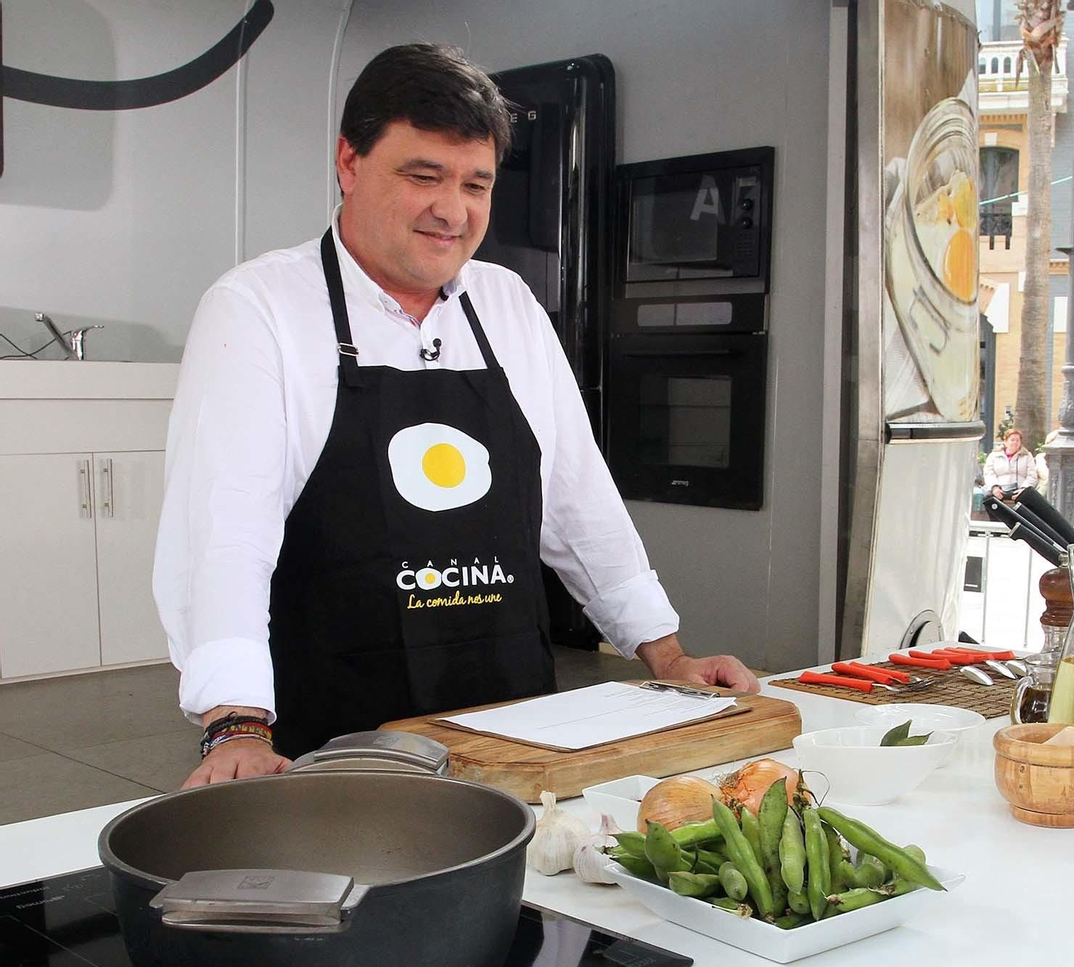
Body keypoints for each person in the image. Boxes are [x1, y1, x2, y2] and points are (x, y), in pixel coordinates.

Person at [155, 45, 758, 788]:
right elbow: (223, 533)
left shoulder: (506, 304)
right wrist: (236, 721)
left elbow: (577, 499)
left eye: (476, 183)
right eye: (423, 176)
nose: (453, 210)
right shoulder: (258, 310)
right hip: (336, 743)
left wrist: (666, 654)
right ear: (348, 162)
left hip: (515, 731)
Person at [985, 428, 1039, 500]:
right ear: (1005, 441)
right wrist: (995, 487)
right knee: (988, 499)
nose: (1015, 442)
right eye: (1012, 440)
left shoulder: (1027, 456)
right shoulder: (994, 455)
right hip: (1000, 489)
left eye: (1017, 440)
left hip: (1019, 489)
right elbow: (988, 473)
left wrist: (1024, 489)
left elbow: (1032, 475)